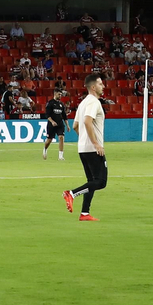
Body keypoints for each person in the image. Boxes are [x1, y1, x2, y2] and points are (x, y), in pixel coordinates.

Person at [63, 72, 108, 221]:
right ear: (94, 87)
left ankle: (84, 213)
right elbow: (88, 122)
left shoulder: (82, 103)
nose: (103, 86)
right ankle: (71, 193)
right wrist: (95, 143)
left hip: (83, 148)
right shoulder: (94, 102)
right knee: (101, 182)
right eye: (101, 84)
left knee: (91, 182)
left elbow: (76, 125)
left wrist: (84, 139)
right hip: (92, 148)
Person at [43, 87, 68, 161]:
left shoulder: (61, 104)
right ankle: (45, 149)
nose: (60, 96)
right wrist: (52, 121)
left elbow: (64, 115)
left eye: (61, 94)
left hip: (60, 124)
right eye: (59, 94)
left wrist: (67, 125)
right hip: (51, 124)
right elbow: (47, 115)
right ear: (55, 94)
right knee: (49, 140)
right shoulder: (50, 103)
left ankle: (60, 156)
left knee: (61, 137)